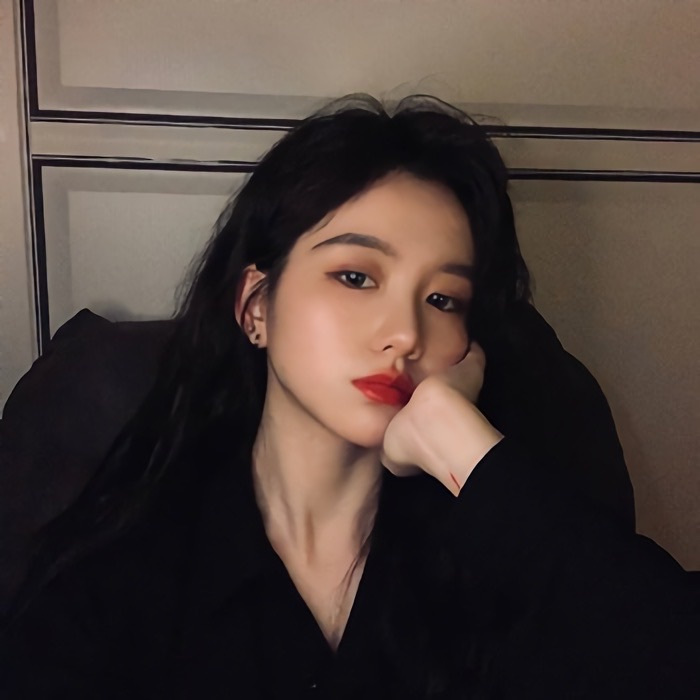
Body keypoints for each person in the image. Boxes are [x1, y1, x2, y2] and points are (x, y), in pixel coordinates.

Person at [0, 93, 698, 699]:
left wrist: (461, 447)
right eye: (357, 277)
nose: (406, 334)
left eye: (443, 299)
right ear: (256, 306)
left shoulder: (497, 550)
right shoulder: (130, 573)